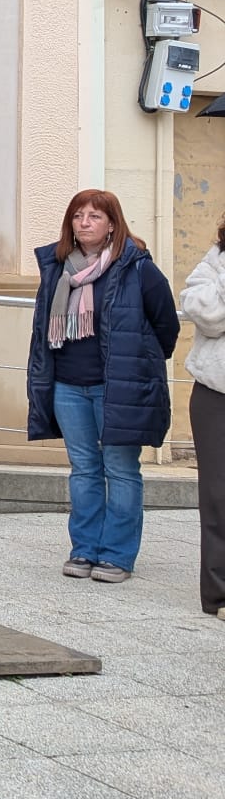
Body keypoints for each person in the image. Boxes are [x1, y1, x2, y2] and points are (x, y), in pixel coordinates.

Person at [26, 191, 177, 585]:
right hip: (67, 386)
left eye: (94, 216)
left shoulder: (137, 268)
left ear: (112, 223)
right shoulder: (57, 267)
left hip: (118, 387)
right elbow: (43, 330)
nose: (84, 222)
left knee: (121, 469)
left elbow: (166, 326)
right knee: (84, 469)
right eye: (78, 215)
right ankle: (84, 549)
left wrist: (137, 364)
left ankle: (116, 555)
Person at [179, 223, 225, 618]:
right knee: (218, 496)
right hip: (215, 394)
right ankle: (219, 594)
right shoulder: (216, 260)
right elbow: (204, 313)